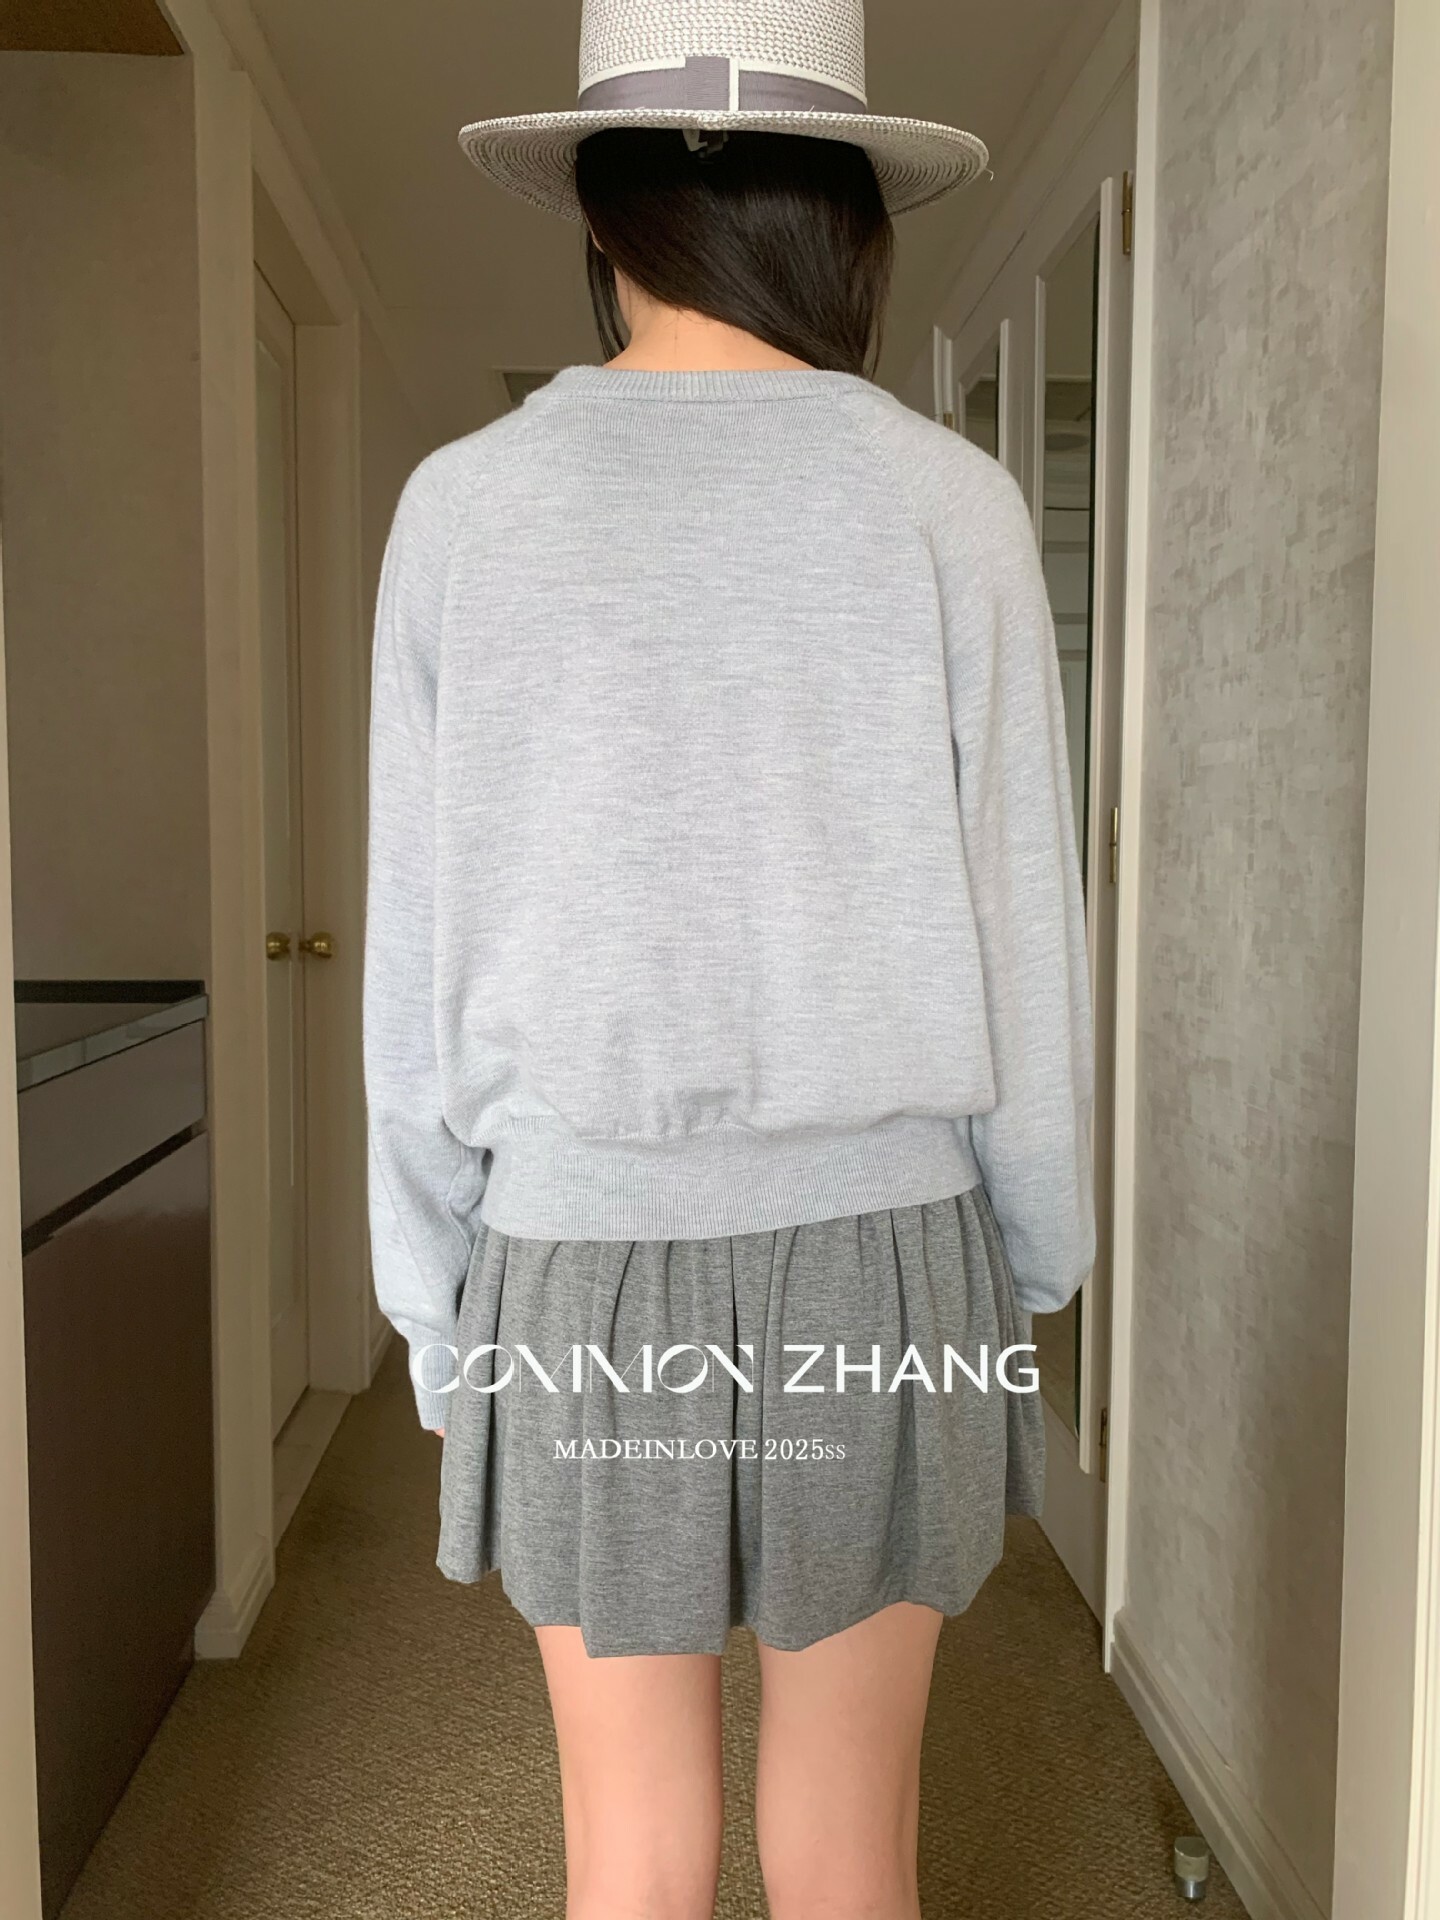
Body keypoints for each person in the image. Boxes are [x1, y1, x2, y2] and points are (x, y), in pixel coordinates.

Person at [363, 3, 1095, 1915]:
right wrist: (1030, 1263)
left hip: (577, 1263)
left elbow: (420, 953)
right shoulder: (949, 506)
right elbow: (1025, 932)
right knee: (852, 1847)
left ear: (606, 214)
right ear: (844, 219)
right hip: (889, 1253)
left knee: (631, 1855)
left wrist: (435, 1307)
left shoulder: (465, 510)